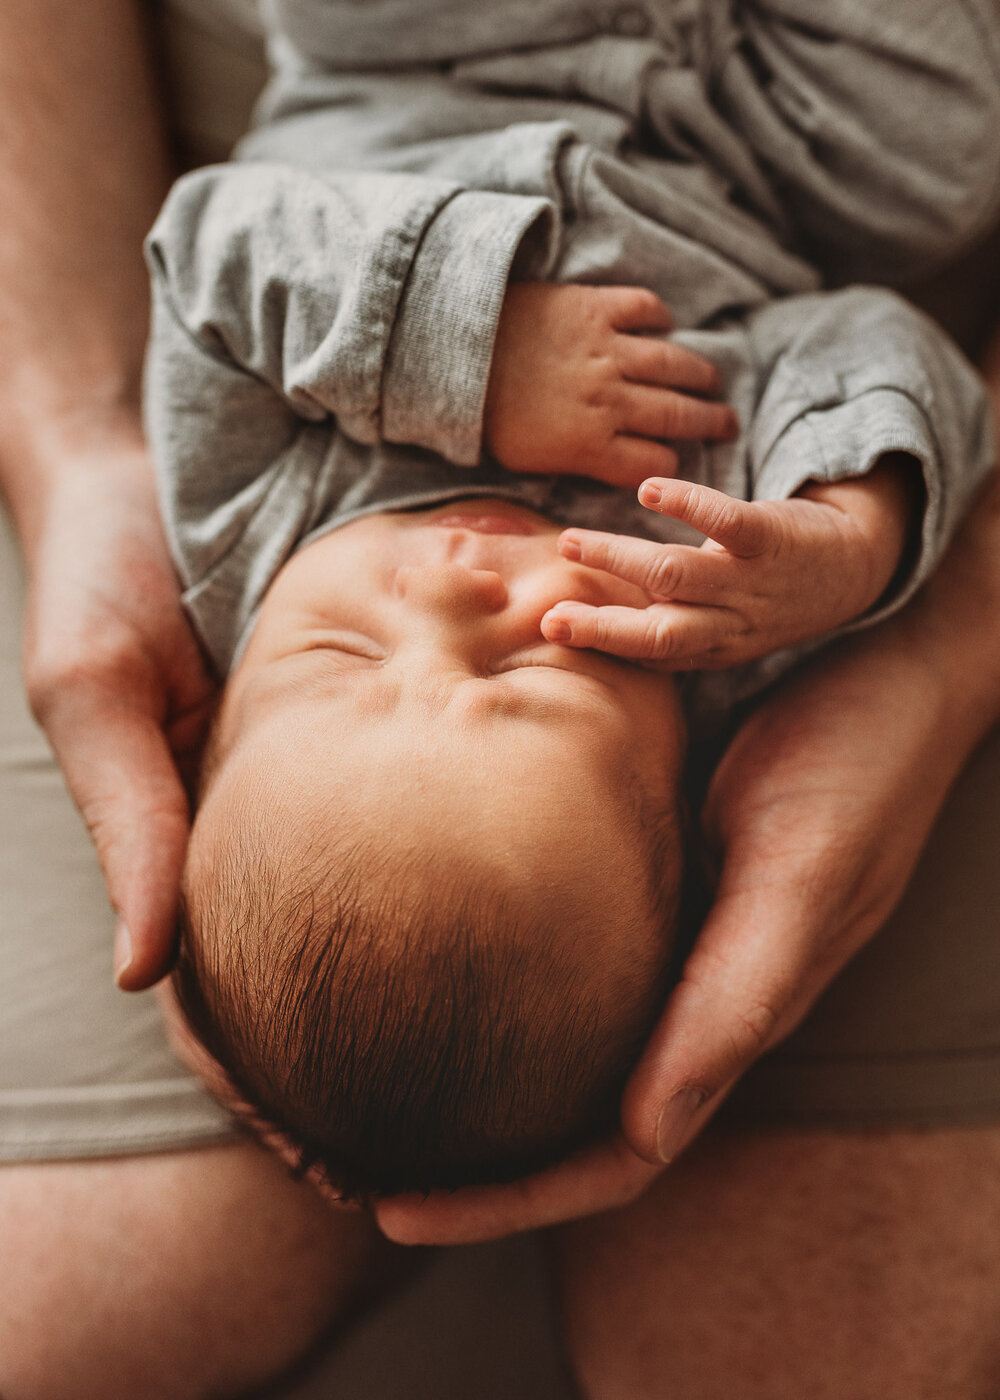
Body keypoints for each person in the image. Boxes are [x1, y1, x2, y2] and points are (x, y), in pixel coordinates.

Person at [3, 4, 1000, 1399]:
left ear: (210, 718)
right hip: (766, 126)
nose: (447, 592)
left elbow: (214, 256)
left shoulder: (245, 520)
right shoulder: (706, 609)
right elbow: (864, 343)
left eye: (338, 658)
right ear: (693, 790)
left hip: (424, 66)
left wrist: (467, 355)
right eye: (531, 672)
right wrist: (855, 542)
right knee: (932, 159)